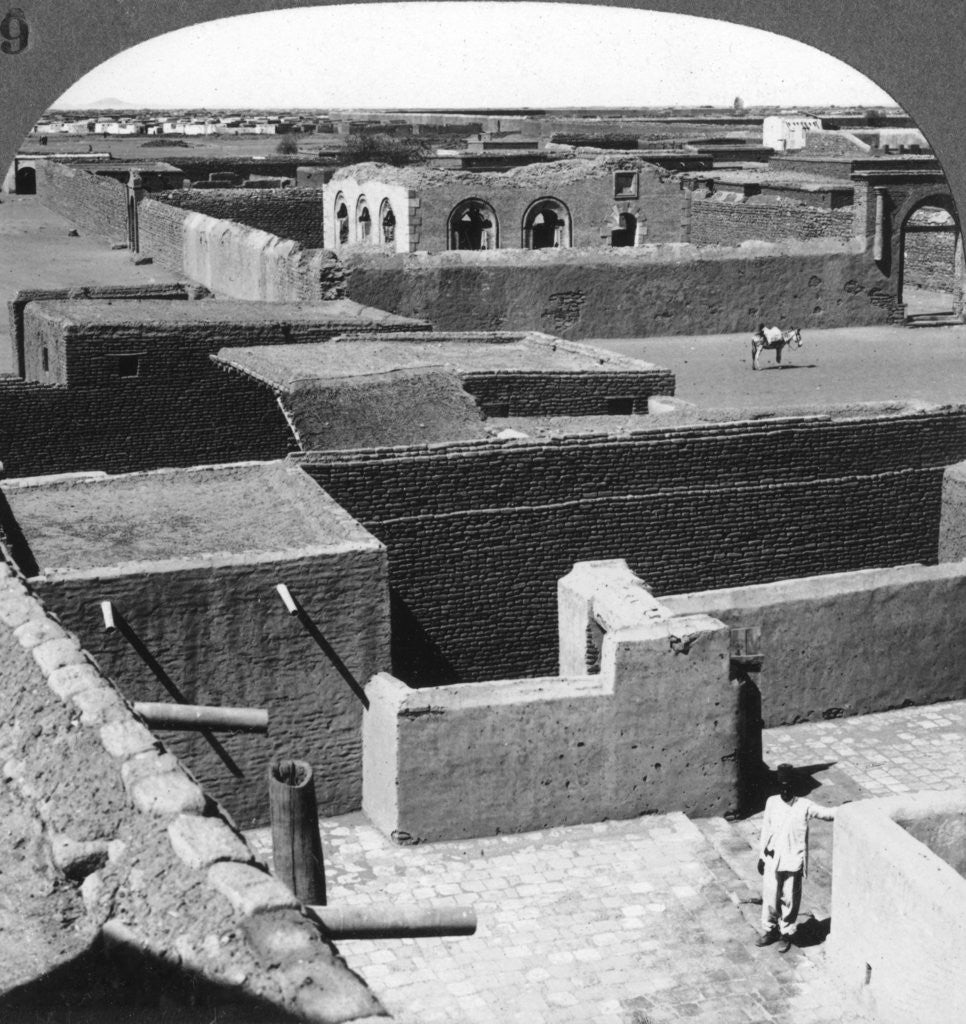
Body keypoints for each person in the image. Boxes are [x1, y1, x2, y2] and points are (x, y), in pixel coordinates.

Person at [755, 763, 835, 953]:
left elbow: (826, 813)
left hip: (793, 861)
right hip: (772, 860)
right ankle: (770, 930)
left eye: (788, 786)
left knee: (790, 899)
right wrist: (761, 856)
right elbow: (765, 830)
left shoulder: (805, 806)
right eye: (781, 786)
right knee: (770, 897)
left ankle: (786, 933)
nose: (784, 790)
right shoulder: (772, 803)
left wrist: (846, 809)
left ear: (794, 787)